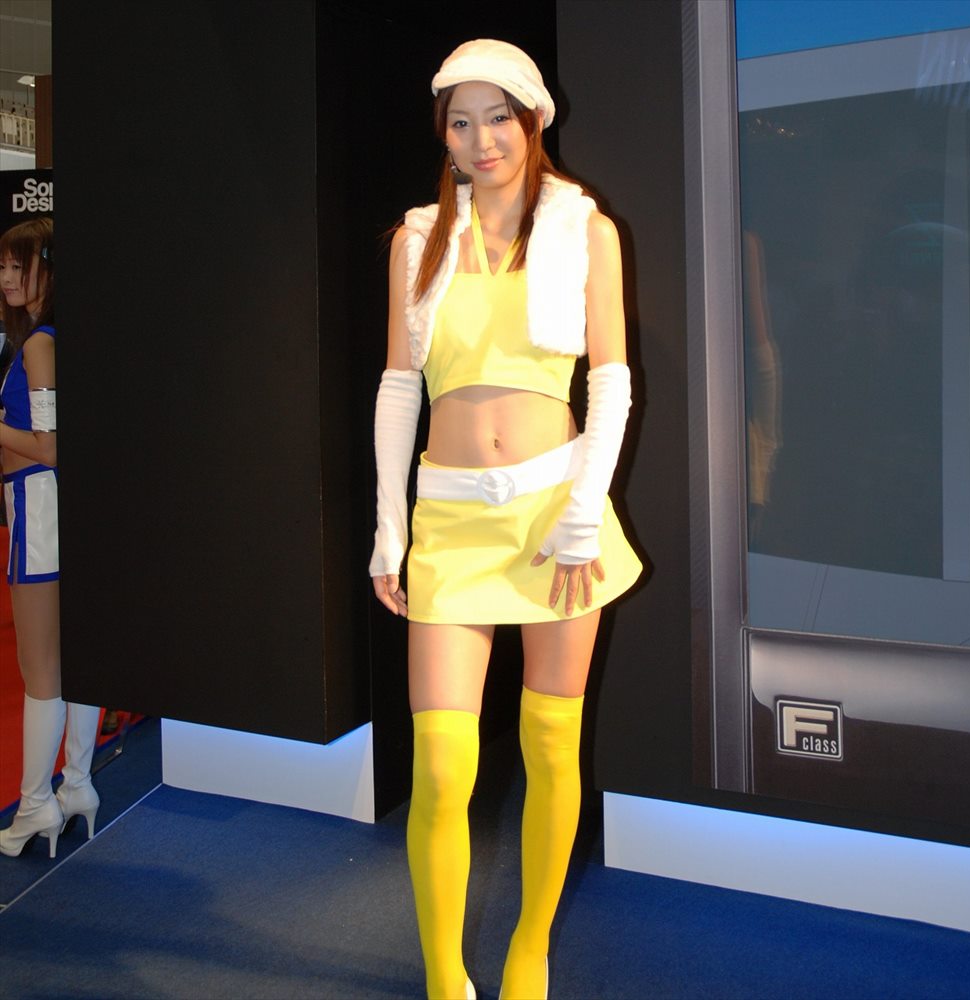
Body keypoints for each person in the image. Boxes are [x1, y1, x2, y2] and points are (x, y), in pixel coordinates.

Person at [370, 40, 642, 1000]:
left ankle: (529, 949)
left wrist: (584, 512)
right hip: (449, 523)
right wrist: (389, 530)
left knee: (550, 744)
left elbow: (610, 382)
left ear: (532, 120)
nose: (480, 139)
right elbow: (398, 388)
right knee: (442, 765)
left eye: (497, 117)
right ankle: (444, 978)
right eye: (460, 121)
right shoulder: (415, 240)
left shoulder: (583, 230)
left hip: (554, 516)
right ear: (442, 134)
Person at [0, 217, 101, 859]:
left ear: (49, 269)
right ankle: (77, 785)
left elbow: (50, 446)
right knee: (75, 660)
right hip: (53, 509)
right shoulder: (54, 338)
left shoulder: (40, 343)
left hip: (38, 508)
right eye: (3, 266)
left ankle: (36, 804)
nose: (7, 277)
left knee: (41, 670)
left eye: (19, 265)